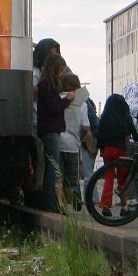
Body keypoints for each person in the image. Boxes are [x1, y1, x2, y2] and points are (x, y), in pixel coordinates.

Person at [37, 54, 75, 212]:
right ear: (55, 69)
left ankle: (49, 202)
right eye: (60, 70)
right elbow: (54, 107)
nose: (62, 74)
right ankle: (50, 204)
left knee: (50, 167)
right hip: (51, 130)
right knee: (53, 167)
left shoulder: (44, 83)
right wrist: (67, 99)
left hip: (48, 129)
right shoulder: (47, 84)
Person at [96, 93, 138, 217]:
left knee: (108, 179)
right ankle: (124, 207)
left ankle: (105, 206)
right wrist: (137, 140)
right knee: (122, 179)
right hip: (121, 150)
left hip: (108, 151)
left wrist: (101, 149)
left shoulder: (105, 117)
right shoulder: (124, 116)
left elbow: (99, 135)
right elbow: (132, 129)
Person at [31, 38, 61, 193]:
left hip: (40, 120)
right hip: (37, 120)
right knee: (48, 163)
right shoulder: (37, 74)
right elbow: (30, 92)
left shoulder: (42, 74)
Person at [58, 73, 89, 210]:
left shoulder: (57, 99)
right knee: (73, 177)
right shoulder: (82, 103)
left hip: (57, 143)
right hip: (73, 144)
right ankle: (76, 195)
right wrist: (80, 137)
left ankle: (61, 204)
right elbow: (85, 127)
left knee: (59, 176)